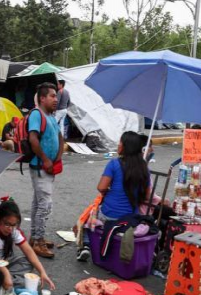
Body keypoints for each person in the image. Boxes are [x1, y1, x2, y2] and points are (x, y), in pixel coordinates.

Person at [77, 131, 151, 262]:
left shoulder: (114, 164)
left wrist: (110, 191)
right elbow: (147, 195)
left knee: (89, 215)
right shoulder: (144, 167)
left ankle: (86, 245)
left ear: (126, 147)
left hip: (109, 214)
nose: (118, 145)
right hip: (130, 216)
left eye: (120, 143)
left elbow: (101, 187)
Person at [0, 198, 56, 291]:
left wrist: (42, 272)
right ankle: (6, 283)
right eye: (7, 224)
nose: (10, 228)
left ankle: (5, 283)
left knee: (28, 262)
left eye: (14, 225)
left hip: (1, 264)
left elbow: (29, 251)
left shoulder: (14, 230)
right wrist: (5, 272)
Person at [28, 83, 64, 259]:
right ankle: (38, 241)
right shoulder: (37, 114)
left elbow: (60, 137)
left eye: (56, 96)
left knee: (38, 203)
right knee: (45, 204)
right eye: (52, 96)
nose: (56, 99)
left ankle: (34, 238)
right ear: (42, 98)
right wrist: (45, 159)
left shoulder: (51, 116)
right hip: (40, 166)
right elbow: (32, 138)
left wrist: (57, 158)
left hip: (49, 167)